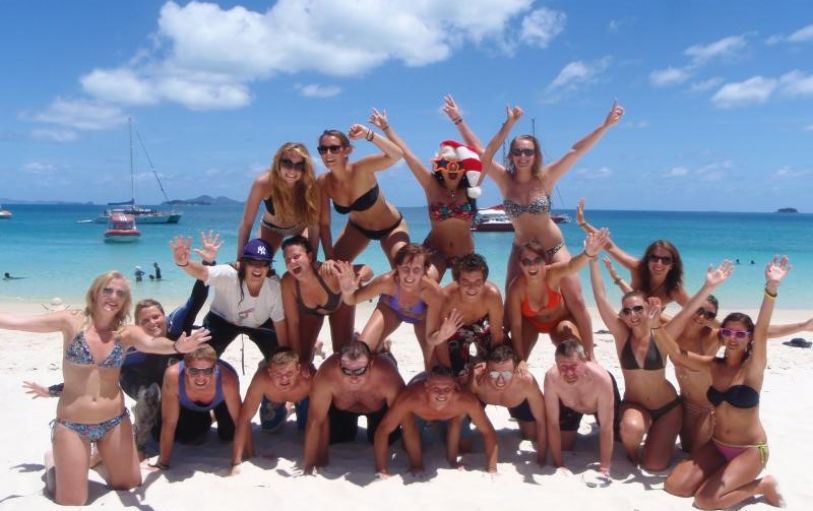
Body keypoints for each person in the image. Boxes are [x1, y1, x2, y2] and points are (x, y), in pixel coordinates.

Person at [0, 271, 210, 505]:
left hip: (114, 423)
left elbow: (153, 343)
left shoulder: (126, 333)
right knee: (73, 501)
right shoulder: (70, 321)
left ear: (125, 301)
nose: (113, 296)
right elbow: (16, 322)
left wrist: (176, 346)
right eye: (107, 290)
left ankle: (96, 456)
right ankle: (53, 462)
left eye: (120, 293)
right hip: (72, 424)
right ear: (94, 293)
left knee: (129, 483)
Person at [448, 96, 623, 362]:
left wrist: (605, 125)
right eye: (517, 151)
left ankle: (590, 357)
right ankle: (506, 357)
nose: (522, 156)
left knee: (575, 300)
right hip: (521, 251)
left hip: (553, 247)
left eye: (528, 151)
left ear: (536, 155)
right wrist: (458, 120)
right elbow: (480, 148)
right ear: (511, 155)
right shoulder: (504, 181)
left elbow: (576, 151)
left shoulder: (546, 177)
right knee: (509, 308)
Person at [648, 257, 789, 508]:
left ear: (748, 338)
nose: (733, 338)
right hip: (717, 445)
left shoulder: (753, 368)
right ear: (721, 334)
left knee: (705, 500)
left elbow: (763, 328)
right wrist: (656, 323)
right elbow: (675, 351)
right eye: (728, 332)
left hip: (749, 449)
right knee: (675, 486)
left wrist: (772, 288)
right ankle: (726, 472)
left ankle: (761, 485)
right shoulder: (713, 365)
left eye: (740, 334)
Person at [588, 256, 685, 471]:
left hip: (667, 408)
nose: (632, 314)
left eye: (638, 309)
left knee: (655, 466)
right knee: (631, 429)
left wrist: (709, 285)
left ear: (648, 308)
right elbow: (600, 297)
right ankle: (632, 453)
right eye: (626, 310)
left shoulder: (662, 333)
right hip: (635, 405)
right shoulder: (621, 335)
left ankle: (660, 435)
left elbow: (690, 312)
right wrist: (592, 259)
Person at [369, 108, 482, 279]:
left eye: (458, 166)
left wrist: (458, 119)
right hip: (435, 251)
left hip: (465, 254)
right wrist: (386, 128)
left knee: (470, 294)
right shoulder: (432, 186)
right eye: (447, 164)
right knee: (424, 284)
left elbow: (484, 153)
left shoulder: (472, 187)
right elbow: (408, 155)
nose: (452, 170)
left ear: (465, 169)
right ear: (439, 166)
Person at [170, 236, 288, 360]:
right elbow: (203, 272)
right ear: (242, 264)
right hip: (221, 320)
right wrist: (183, 263)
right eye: (252, 262)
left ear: (269, 267)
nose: (258, 268)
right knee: (201, 359)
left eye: (263, 263)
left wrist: (285, 355)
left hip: (260, 324)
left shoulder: (274, 287)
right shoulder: (229, 275)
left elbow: (279, 322)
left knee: (280, 360)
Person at [374, 366, 498, 477]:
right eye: (436, 389)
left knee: (465, 446)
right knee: (406, 443)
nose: (441, 393)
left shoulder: (465, 400)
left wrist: (492, 468)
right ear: (427, 387)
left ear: (454, 387)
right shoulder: (410, 397)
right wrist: (382, 470)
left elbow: (488, 431)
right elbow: (383, 430)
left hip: (452, 411)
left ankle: (451, 458)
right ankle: (417, 463)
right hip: (420, 408)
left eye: (447, 389)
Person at [302, 341, 405, 474]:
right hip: (343, 409)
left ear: (371, 364)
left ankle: (385, 350)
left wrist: (415, 462)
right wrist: (309, 463)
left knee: (387, 438)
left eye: (360, 370)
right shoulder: (327, 374)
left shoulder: (387, 374)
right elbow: (315, 420)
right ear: (339, 364)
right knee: (337, 438)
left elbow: (405, 418)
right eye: (347, 370)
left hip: (379, 409)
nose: (354, 377)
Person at [506, 229, 608, 361]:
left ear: (545, 261)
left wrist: (587, 254)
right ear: (520, 265)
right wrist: (520, 360)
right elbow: (516, 326)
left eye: (537, 260)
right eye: (526, 262)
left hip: (559, 323)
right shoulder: (516, 288)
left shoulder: (552, 274)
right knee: (516, 363)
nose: (532, 266)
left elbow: (572, 266)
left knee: (576, 357)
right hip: (531, 325)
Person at [336, 243, 443, 366]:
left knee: (433, 366)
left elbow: (431, 337)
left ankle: (383, 346)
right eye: (405, 268)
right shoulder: (386, 281)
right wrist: (347, 291)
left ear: (424, 270)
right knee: (362, 354)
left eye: (416, 270)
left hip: (422, 317)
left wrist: (442, 334)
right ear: (397, 267)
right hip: (391, 310)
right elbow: (352, 300)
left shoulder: (433, 293)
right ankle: (383, 348)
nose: (410, 275)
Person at [316, 125, 408, 265]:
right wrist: (329, 259)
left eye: (334, 148)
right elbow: (324, 223)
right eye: (323, 149)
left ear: (347, 150)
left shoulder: (362, 168)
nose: (328, 154)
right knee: (333, 273)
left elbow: (397, 155)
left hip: (391, 226)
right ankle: (360, 280)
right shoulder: (324, 182)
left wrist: (368, 134)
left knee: (404, 269)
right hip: (357, 229)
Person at [577, 199, 688, 305]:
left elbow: (695, 311)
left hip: (655, 323)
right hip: (630, 318)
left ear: (672, 265)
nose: (659, 263)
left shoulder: (673, 289)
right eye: (654, 257)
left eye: (666, 260)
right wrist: (583, 223)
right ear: (647, 259)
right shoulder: (637, 268)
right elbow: (610, 247)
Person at [280, 235, 372, 362]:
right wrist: (296, 362)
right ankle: (317, 347)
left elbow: (367, 269)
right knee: (303, 359)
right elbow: (293, 323)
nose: (292, 262)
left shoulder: (329, 272)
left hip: (339, 306)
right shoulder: (288, 282)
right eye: (287, 260)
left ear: (310, 256)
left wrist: (357, 279)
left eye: (296, 257)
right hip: (310, 313)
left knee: (342, 355)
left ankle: (355, 337)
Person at [151, 345, 242, 471]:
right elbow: (169, 423)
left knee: (228, 434)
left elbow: (241, 421)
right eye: (194, 371)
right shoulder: (173, 375)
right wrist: (162, 463)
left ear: (215, 369)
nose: (200, 377)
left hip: (222, 400)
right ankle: (206, 417)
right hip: (190, 402)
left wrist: (243, 459)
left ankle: (214, 414)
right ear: (186, 369)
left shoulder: (227, 379)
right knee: (183, 436)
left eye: (207, 371)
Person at [543, 339, 621, 477]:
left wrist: (604, 468)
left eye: (574, 366)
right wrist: (558, 463)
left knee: (620, 440)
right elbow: (552, 423)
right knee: (564, 446)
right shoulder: (552, 378)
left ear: (584, 361)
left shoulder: (602, 380)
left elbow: (606, 427)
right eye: (563, 367)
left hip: (599, 402)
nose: (569, 373)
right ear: (556, 364)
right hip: (571, 405)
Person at [230, 347, 313, 474]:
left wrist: (312, 459)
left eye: (289, 373)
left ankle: (296, 402)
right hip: (275, 396)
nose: (284, 378)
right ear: (269, 372)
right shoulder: (262, 379)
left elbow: (320, 420)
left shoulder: (308, 377)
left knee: (305, 428)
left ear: (298, 370)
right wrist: (236, 462)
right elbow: (244, 418)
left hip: (302, 395)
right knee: (270, 428)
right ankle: (288, 406)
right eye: (278, 374)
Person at [236, 142, 321, 258]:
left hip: (301, 227)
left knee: (303, 261)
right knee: (258, 260)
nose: (292, 170)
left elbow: (314, 226)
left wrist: (314, 258)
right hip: (271, 228)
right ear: (278, 163)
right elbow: (247, 223)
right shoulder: (264, 183)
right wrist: (240, 258)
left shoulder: (310, 185)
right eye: (287, 163)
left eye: (299, 165)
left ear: (305, 168)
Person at [468, 345, 546, 465]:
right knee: (462, 444)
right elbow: (459, 411)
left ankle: (518, 417)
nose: (500, 381)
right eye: (494, 374)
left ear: (515, 370)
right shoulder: (477, 378)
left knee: (531, 436)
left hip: (517, 400)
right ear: (486, 369)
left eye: (507, 375)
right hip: (483, 398)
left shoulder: (526, 382)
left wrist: (541, 457)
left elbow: (542, 419)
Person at [428, 253, 504, 376]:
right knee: (458, 373)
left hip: (482, 326)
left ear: (484, 280)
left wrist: (492, 366)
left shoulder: (492, 295)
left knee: (503, 361)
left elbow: (496, 333)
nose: (472, 288)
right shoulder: (446, 298)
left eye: (477, 282)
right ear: (457, 281)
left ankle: (480, 359)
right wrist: (449, 372)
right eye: (466, 281)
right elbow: (441, 340)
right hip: (456, 329)